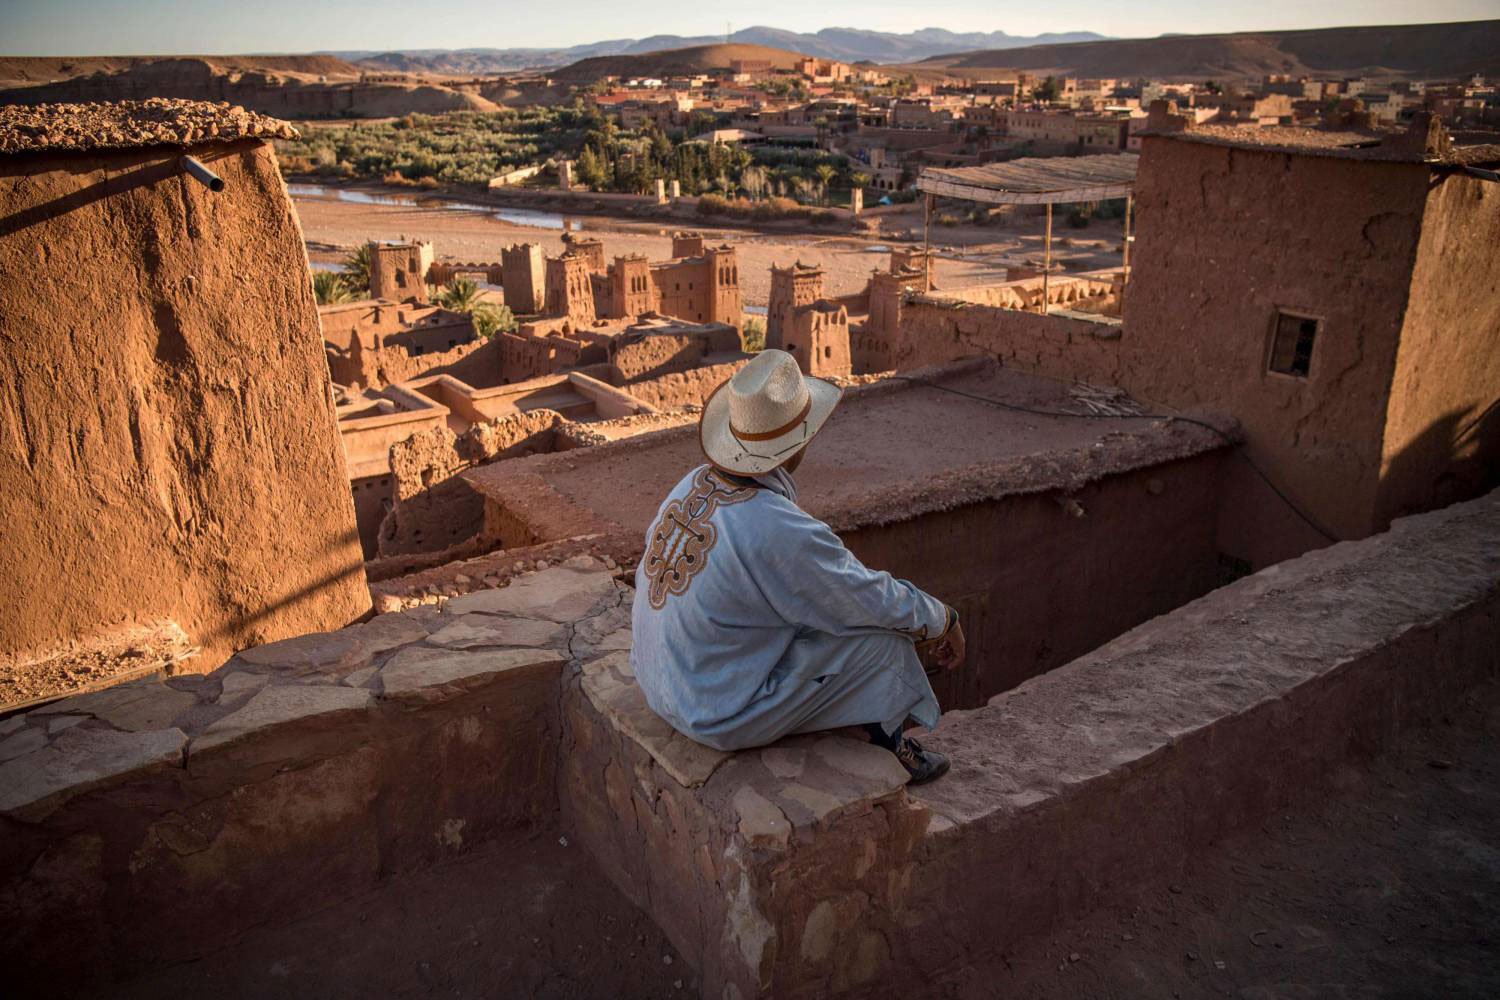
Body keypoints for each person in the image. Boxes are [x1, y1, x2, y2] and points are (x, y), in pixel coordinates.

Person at [629, 349, 964, 784]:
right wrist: (941, 618)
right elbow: (866, 597)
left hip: (658, 683)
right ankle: (889, 744)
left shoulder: (692, 482)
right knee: (883, 640)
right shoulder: (778, 528)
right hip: (711, 712)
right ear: (797, 444)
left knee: (818, 613)